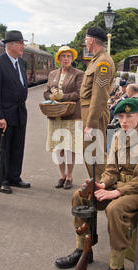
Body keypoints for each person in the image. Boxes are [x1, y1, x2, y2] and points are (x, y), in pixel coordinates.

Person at [55, 98, 138, 270]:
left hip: (136, 190)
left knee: (114, 208)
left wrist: (116, 192)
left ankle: (117, 268)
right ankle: (83, 250)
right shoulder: (117, 136)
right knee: (80, 196)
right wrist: (102, 184)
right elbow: (110, 170)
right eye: (121, 116)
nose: (124, 120)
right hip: (116, 186)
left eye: (129, 116)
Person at [0, 30, 30, 194]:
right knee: (4, 148)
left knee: (18, 147)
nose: (23, 47)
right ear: (11, 45)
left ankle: (15, 177)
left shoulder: (22, 63)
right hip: (5, 114)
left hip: (20, 112)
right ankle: (3, 180)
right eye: (20, 44)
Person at [43, 46, 84, 189]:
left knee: (70, 147)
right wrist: (51, 96)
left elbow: (79, 94)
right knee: (58, 147)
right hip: (56, 115)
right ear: (59, 59)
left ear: (72, 59)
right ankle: (62, 175)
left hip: (71, 115)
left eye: (68, 56)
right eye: (63, 56)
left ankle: (70, 176)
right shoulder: (52, 73)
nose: (66, 58)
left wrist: (62, 97)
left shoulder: (79, 74)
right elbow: (46, 92)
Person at [80, 26, 115, 180]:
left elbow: (99, 95)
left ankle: (104, 190)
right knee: (93, 154)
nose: (86, 42)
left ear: (92, 40)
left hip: (94, 114)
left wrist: (91, 123)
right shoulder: (97, 60)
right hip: (90, 113)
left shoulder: (103, 63)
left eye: (86, 39)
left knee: (95, 155)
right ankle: (97, 190)